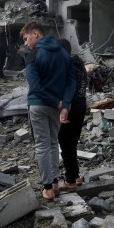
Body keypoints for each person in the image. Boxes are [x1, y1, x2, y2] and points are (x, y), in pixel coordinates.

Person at [20, 22, 76, 201]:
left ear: (35, 34)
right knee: (53, 143)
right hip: (56, 107)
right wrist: (64, 104)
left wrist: (57, 102)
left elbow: (35, 87)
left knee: (42, 145)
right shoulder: (63, 53)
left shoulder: (33, 55)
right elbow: (71, 81)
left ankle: (48, 189)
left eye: (26, 39)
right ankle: (55, 183)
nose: (26, 44)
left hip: (39, 105)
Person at [57, 39, 86, 189]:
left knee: (65, 141)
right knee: (71, 142)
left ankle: (70, 180)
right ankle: (75, 176)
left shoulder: (69, 66)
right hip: (80, 104)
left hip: (71, 106)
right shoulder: (79, 64)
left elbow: (67, 88)